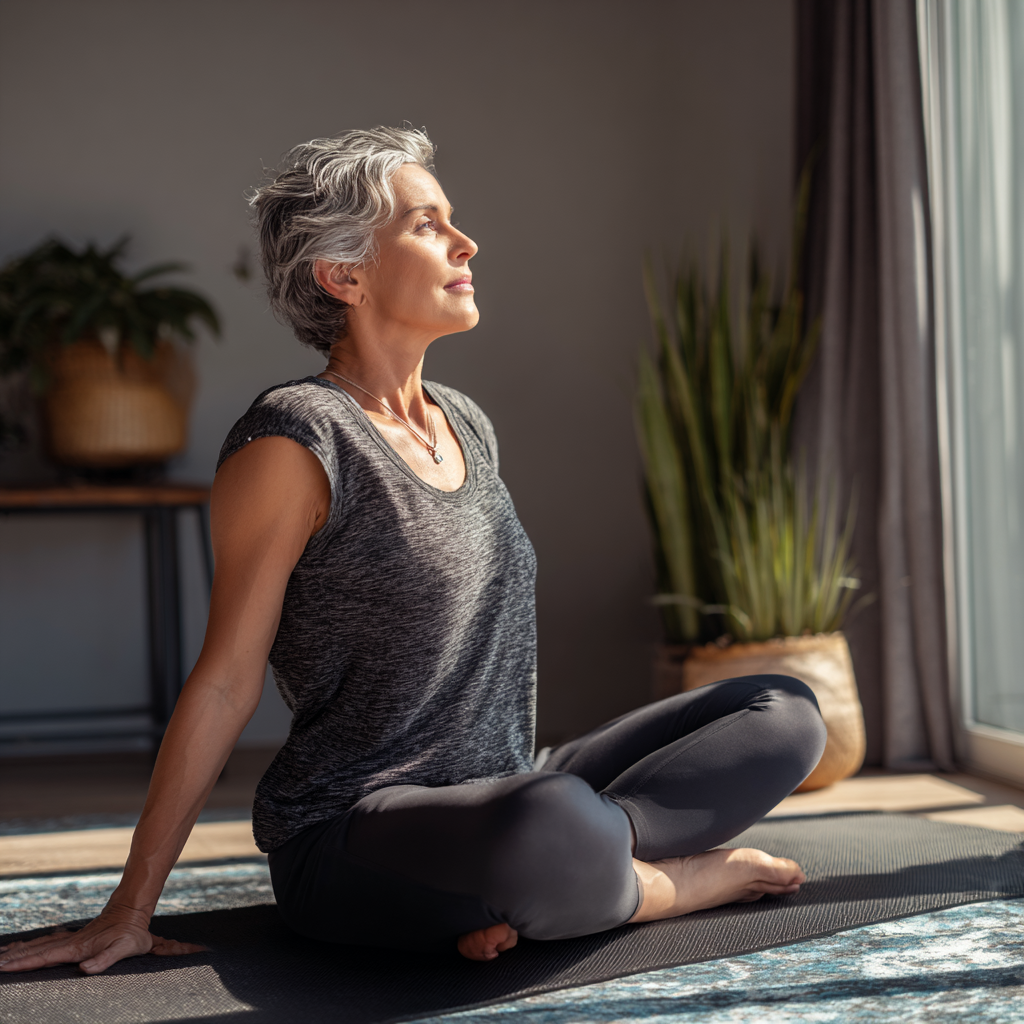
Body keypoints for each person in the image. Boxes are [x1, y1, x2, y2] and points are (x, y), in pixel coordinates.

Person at [0, 128, 827, 973]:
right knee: (549, 821)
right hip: (358, 828)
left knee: (783, 712)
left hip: (509, 790)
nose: (466, 243)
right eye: (428, 224)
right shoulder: (293, 441)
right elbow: (224, 681)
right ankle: (663, 885)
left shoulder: (465, 420)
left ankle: (560, 882)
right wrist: (130, 906)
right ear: (344, 273)